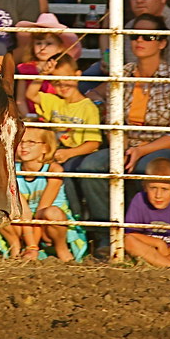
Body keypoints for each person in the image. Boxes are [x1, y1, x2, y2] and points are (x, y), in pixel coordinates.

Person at [79, 13, 170, 250]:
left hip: (163, 148)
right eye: (134, 35)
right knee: (89, 168)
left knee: (143, 168)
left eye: (148, 36)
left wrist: (139, 150)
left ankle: (139, 235)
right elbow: (112, 118)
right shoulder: (122, 75)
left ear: (162, 43)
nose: (139, 40)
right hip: (124, 143)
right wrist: (121, 147)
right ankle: (107, 234)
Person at [24, 53, 101, 217]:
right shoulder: (54, 102)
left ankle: (75, 215)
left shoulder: (88, 108)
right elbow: (31, 94)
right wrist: (43, 74)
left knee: (66, 172)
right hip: (56, 153)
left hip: (77, 153)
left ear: (77, 75)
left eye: (66, 79)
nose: (62, 85)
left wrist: (69, 153)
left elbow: (93, 143)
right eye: (56, 82)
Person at [0, 126, 87, 262]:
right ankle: (15, 247)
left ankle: (61, 249)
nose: (23, 146)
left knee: (52, 213)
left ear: (45, 148)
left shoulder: (53, 170)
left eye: (31, 142)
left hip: (47, 224)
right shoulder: (10, 171)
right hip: (22, 221)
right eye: (20, 141)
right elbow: (25, 212)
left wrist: (32, 247)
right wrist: (31, 245)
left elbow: (41, 211)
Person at [14, 12, 81, 115]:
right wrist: (28, 117)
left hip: (57, 117)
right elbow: (20, 100)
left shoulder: (62, 68)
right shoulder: (26, 69)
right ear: (32, 45)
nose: (43, 48)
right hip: (31, 117)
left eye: (49, 43)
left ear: (60, 47)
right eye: (38, 43)